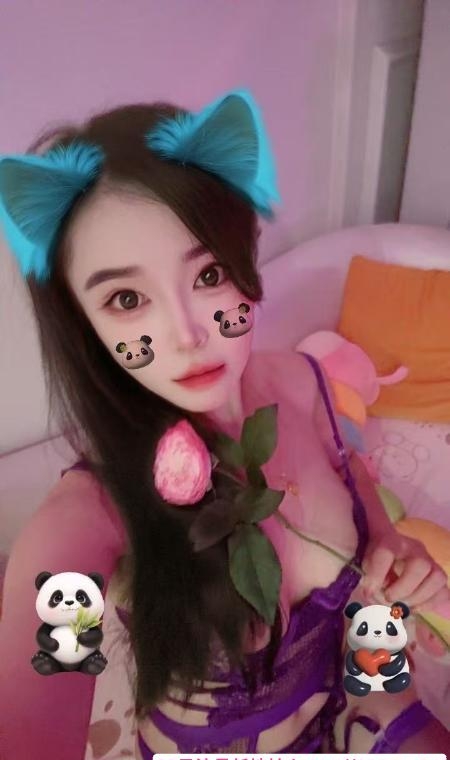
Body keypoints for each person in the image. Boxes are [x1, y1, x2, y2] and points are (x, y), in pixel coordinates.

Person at [0, 89, 448, 760]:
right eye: (127, 298)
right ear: (85, 325)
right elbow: (35, 714)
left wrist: (390, 544)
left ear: (246, 256)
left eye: (209, 273)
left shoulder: (304, 382)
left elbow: (349, 473)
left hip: (362, 693)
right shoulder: (87, 517)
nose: (186, 335)